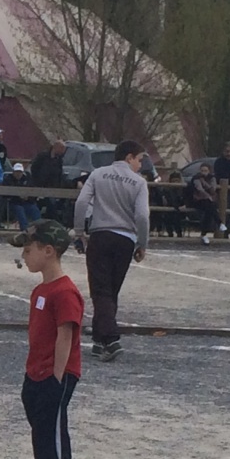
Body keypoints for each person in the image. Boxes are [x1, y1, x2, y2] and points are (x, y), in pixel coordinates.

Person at [8, 219, 84, 459]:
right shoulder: (41, 290)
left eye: (29, 250)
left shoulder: (64, 292)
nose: (24, 256)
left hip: (55, 373)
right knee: (51, 428)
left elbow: (66, 335)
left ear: (48, 251)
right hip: (37, 370)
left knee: (46, 430)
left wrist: (57, 376)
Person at [73, 139, 150, 362]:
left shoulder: (98, 174)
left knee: (100, 290)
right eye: (139, 160)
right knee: (111, 290)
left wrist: (79, 232)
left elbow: (81, 203)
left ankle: (109, 338)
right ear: (129, 157)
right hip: (125, 239)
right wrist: (142, 243)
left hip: (100, 235)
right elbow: (142, 216)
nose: (140, 165)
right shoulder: (139, 182)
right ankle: (100, 340)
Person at [29, 139, 68, 222]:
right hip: (39, 185)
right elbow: (34, 168)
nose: (63, 152)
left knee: (52, 205)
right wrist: (37, 181)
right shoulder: (42, 156)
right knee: (35, 205)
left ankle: (51, 222)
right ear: (56, 147)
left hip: (52, 187)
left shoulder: (59, 160)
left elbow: (59, 173)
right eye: (62, 149)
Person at [188, 162, 219, 245]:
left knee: (209, 210)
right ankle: (219, 222)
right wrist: (208, 195)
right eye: (202, 170)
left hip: (209, 200)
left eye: (205, 170)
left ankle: (204, 233)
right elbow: (199, 189)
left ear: (209, 171)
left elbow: (213, 189)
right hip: (198, 200)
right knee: (209, 208)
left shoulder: (212, 178)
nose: (203, 172)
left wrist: (205, 183)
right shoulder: (196, 178)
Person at [4, 163, 41, 231]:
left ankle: (39, 228)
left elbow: (33, 192)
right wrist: (18, 196)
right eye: (16, 172)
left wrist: (28, 198)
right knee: (20, 210)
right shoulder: (8, 179)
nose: (18, 174)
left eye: (20, 172)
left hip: (27, 202)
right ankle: (25, 229)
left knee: (34, 210)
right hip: (14, 202)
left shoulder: (28, 179)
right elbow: (5, 194)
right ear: (13, 172)